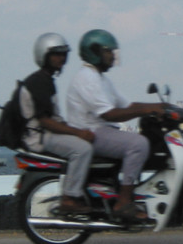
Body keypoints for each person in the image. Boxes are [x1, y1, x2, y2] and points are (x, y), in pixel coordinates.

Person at [66, 29, 168, 222]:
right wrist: (146, 110)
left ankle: (124, 190)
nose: (112, 56)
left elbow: (128, 105)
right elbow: (109, 114)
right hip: (91, 132)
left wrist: (158, 106)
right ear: (94, 52)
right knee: (138, 144)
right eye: (108, 52)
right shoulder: (87, 78)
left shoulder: (101, 79)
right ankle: (124, 202)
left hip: (101, 130)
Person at [21, 33, 95, 215]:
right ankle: (70, 198)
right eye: (56, 54)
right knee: (82, 149)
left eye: (63, 54)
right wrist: (77, 133)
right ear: (44, 56)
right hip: (39, 137)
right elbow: (46, 121)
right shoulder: (39, 82)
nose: (61, 58)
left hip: (43, 134)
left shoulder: (45, 80)